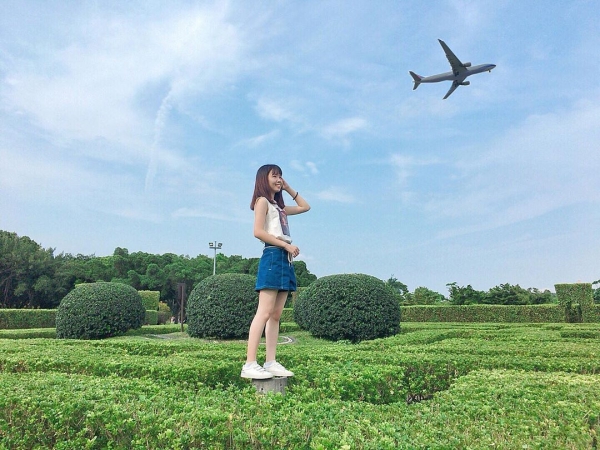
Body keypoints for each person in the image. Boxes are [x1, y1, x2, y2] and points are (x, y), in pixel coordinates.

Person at [241, 164, 310, 379]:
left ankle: (270, 361)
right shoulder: (262, 201)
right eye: (275, 176)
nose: (279, 179)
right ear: (264, 179)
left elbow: (305, 206)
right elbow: (257, 232)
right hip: (273, 255)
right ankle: (249, 363)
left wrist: (287, 187)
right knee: (264, 312)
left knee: (276, 315)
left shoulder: (278, 207)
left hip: (284, 259)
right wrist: (285, 245)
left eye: (281, 176)